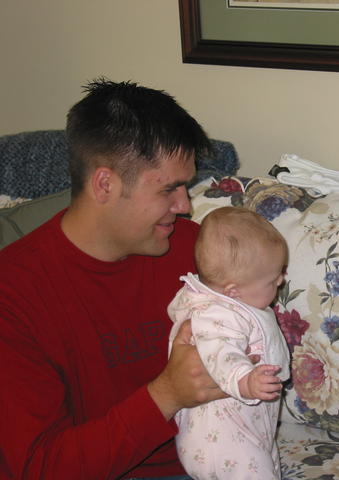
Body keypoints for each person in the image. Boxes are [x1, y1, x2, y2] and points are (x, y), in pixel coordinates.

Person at [0, 79, 225, 479]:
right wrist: (166, 395)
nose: (185, 206)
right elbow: (40, 467)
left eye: (186, 186)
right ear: (105, 184)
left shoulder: (196, 249)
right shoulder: (13, 294)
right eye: (169, 189)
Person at [168, 206, 290, 480]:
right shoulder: (214, 315)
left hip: (249, 429)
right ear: (233, 290)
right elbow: (220, 353)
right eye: (273, 280)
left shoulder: (238, 303)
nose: (282, 280)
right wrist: (244, 380)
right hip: (221, 441)